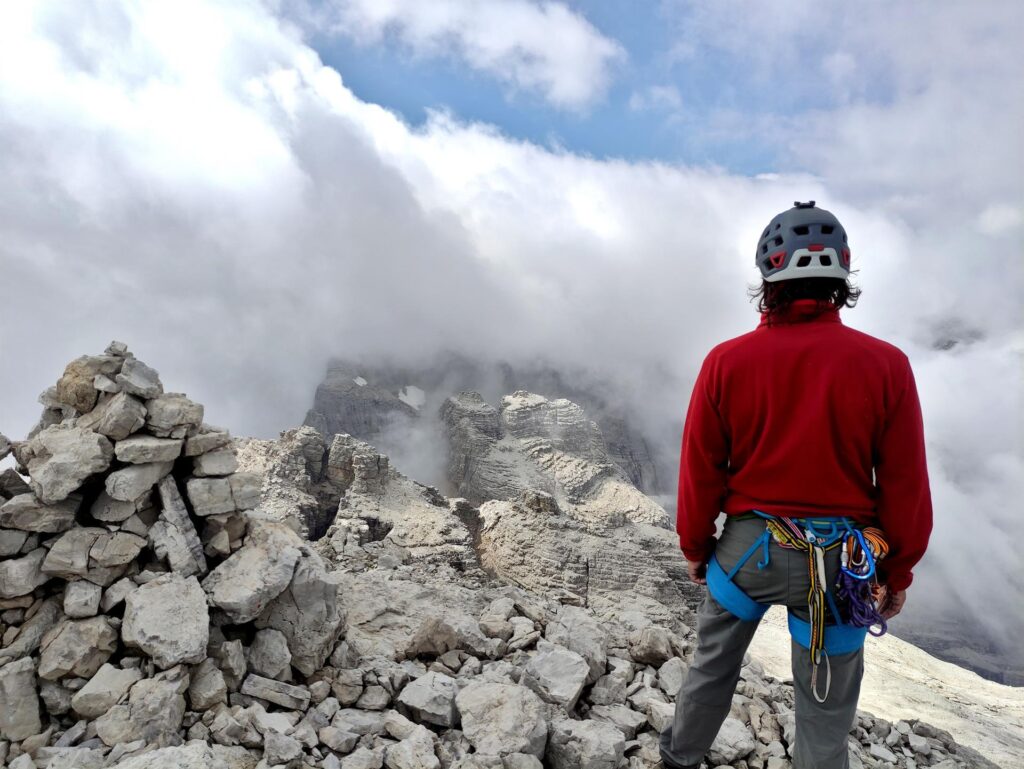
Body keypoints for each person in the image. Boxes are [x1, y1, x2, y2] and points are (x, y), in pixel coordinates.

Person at [660, 202, 933, 769]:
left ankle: (678, 761)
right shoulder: (887, 365)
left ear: (767, 277)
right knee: (826, 707)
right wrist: (897, 570)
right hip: (841, 565)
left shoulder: (726, 362)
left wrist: (695, 546)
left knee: (711, 669)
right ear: (842, 278)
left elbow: (700, 468)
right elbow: (904, 483)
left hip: (747, 556)